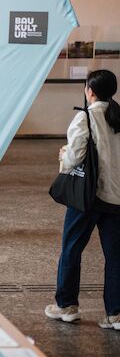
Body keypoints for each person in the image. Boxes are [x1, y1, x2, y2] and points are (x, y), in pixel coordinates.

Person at [45, 70, 120, 330]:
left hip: (88, 197)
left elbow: (75, 157)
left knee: (72, 248)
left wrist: (64, 156)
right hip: (117, 198)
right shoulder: (118, 116)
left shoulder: (85, 117)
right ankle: (115, 314)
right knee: (115, 256)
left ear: (90, 91)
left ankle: (66, 306)